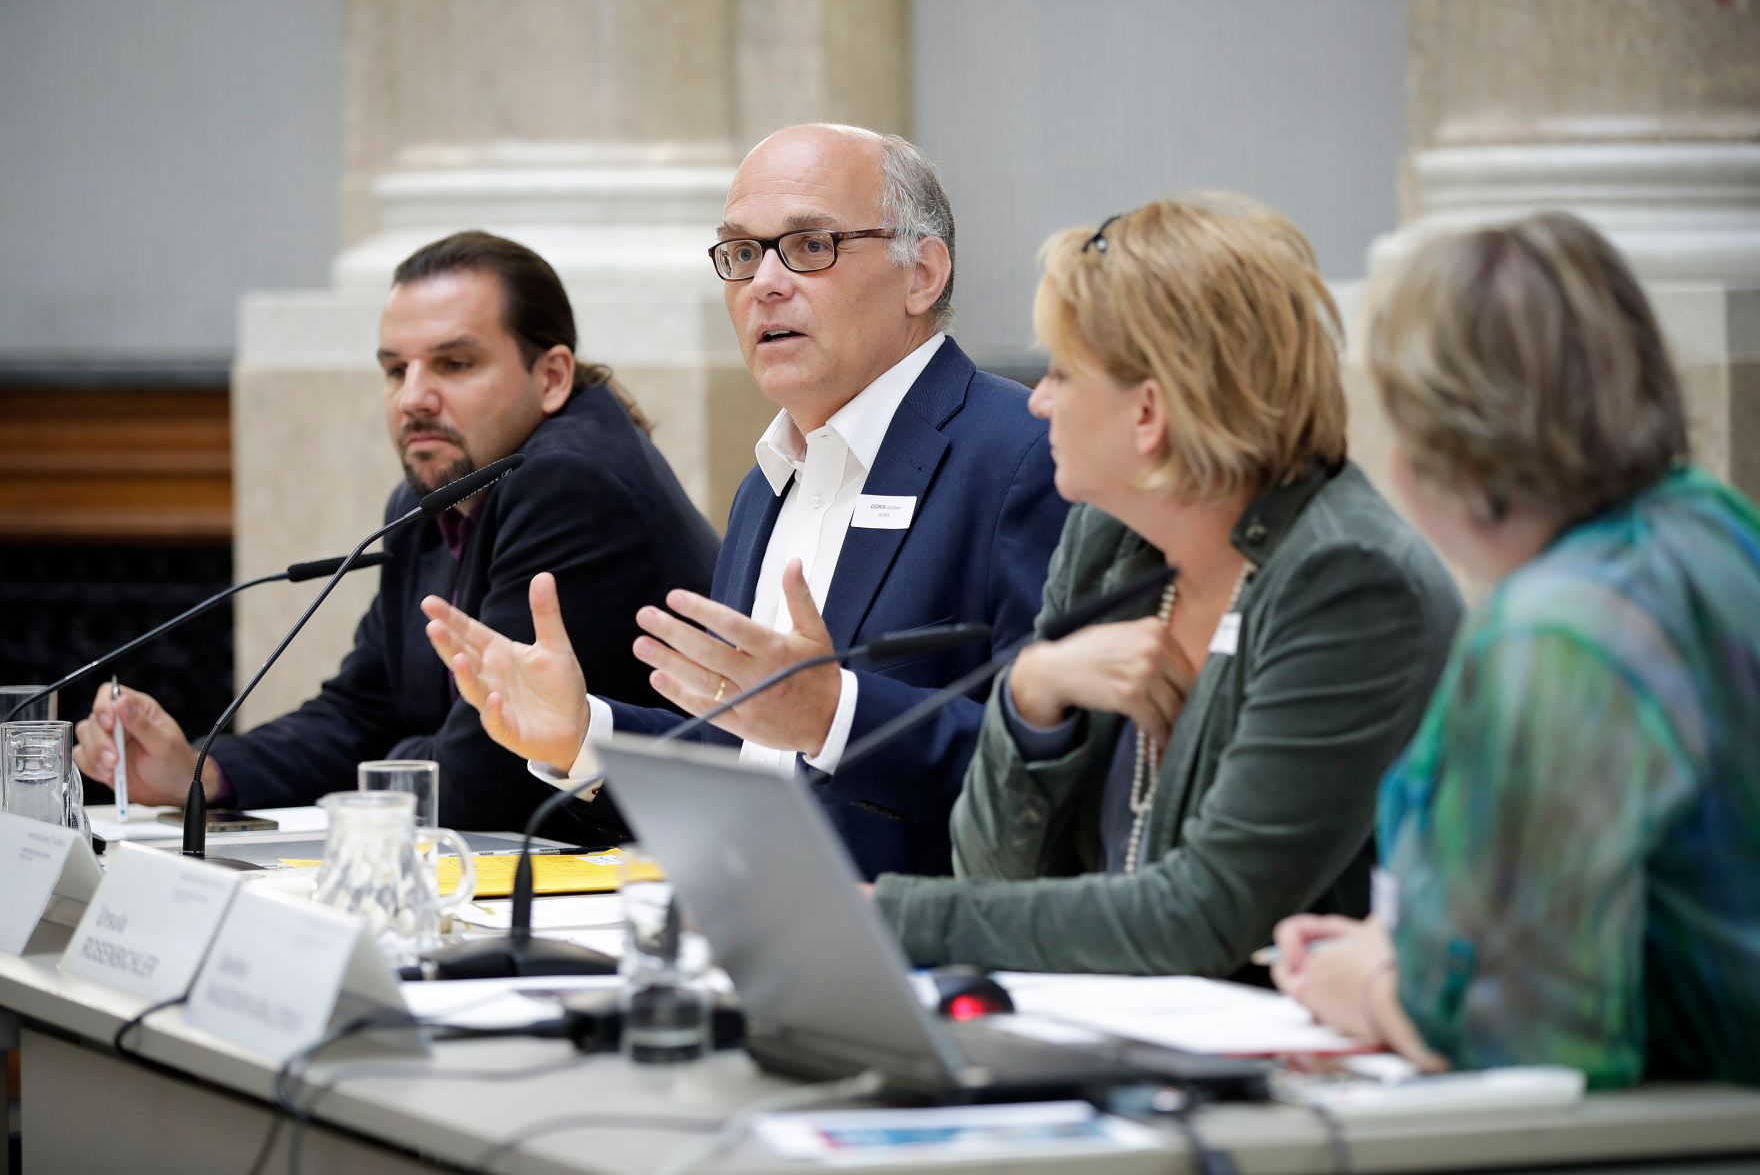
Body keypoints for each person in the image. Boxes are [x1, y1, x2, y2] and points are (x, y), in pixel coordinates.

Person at [422, 124, 1068, 878]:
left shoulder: (1024, 455)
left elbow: (1054, 776)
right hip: (756, 934)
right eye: (741, 253)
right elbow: (756, 757)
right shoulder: (768, 481)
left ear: (921, 274)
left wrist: (837, 717)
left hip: (929, 954)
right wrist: (584, 733)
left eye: (809, 246)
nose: (765, 282)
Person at [870, 194, 1462, 975]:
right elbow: (993, 874)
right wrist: (1031, 696)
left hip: (1285, 1067)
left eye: (1061, 373)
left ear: (1148, 411)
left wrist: (882, 916)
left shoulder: (1348, 581)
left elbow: (1203, 916)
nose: (1038, 400)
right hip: (1115, 1041)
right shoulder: (1112, 540)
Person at [1272, 213, 1760, 1086]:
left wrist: (1377, 990)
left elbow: (1541, 1034)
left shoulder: (1556, 631)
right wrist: (1421, 946)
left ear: (1447, 439)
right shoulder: (1713, 525)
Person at [71, 230, 721, 841]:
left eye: (454, 363)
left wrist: (401, 758)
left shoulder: (568, 485)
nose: (413, 398)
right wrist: (204, 772)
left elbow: (482, 783)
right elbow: (362, 709)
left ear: (550, 377)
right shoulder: (436, 496)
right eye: (394, 370)